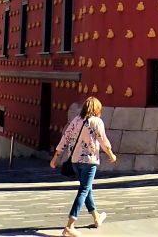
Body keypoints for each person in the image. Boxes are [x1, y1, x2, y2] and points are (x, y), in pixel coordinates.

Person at [50, 96, 117, 234]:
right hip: (89, 161)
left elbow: (65, 138)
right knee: (84, 190)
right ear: (97, 109)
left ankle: (96, 217)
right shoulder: (96, 122)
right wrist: (111, 155)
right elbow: (103, 140)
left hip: (75, 160)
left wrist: (55, 158)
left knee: (86, 189)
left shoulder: (76, 120)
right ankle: (70, 225)